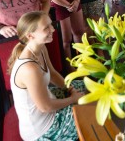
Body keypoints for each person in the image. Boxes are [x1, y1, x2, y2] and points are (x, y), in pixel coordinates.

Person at [8, 11, 85, 141]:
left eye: (51, 25)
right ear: (30, 35)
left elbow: (54, 75)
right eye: (46, 28)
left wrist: (70, 89)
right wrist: (73, 99)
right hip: (42, 130)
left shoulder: (40, 48)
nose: (53, 29)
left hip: (48, 102)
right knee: (88, 111)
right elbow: (45, 107)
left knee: (85, 86)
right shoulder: (29, 68)